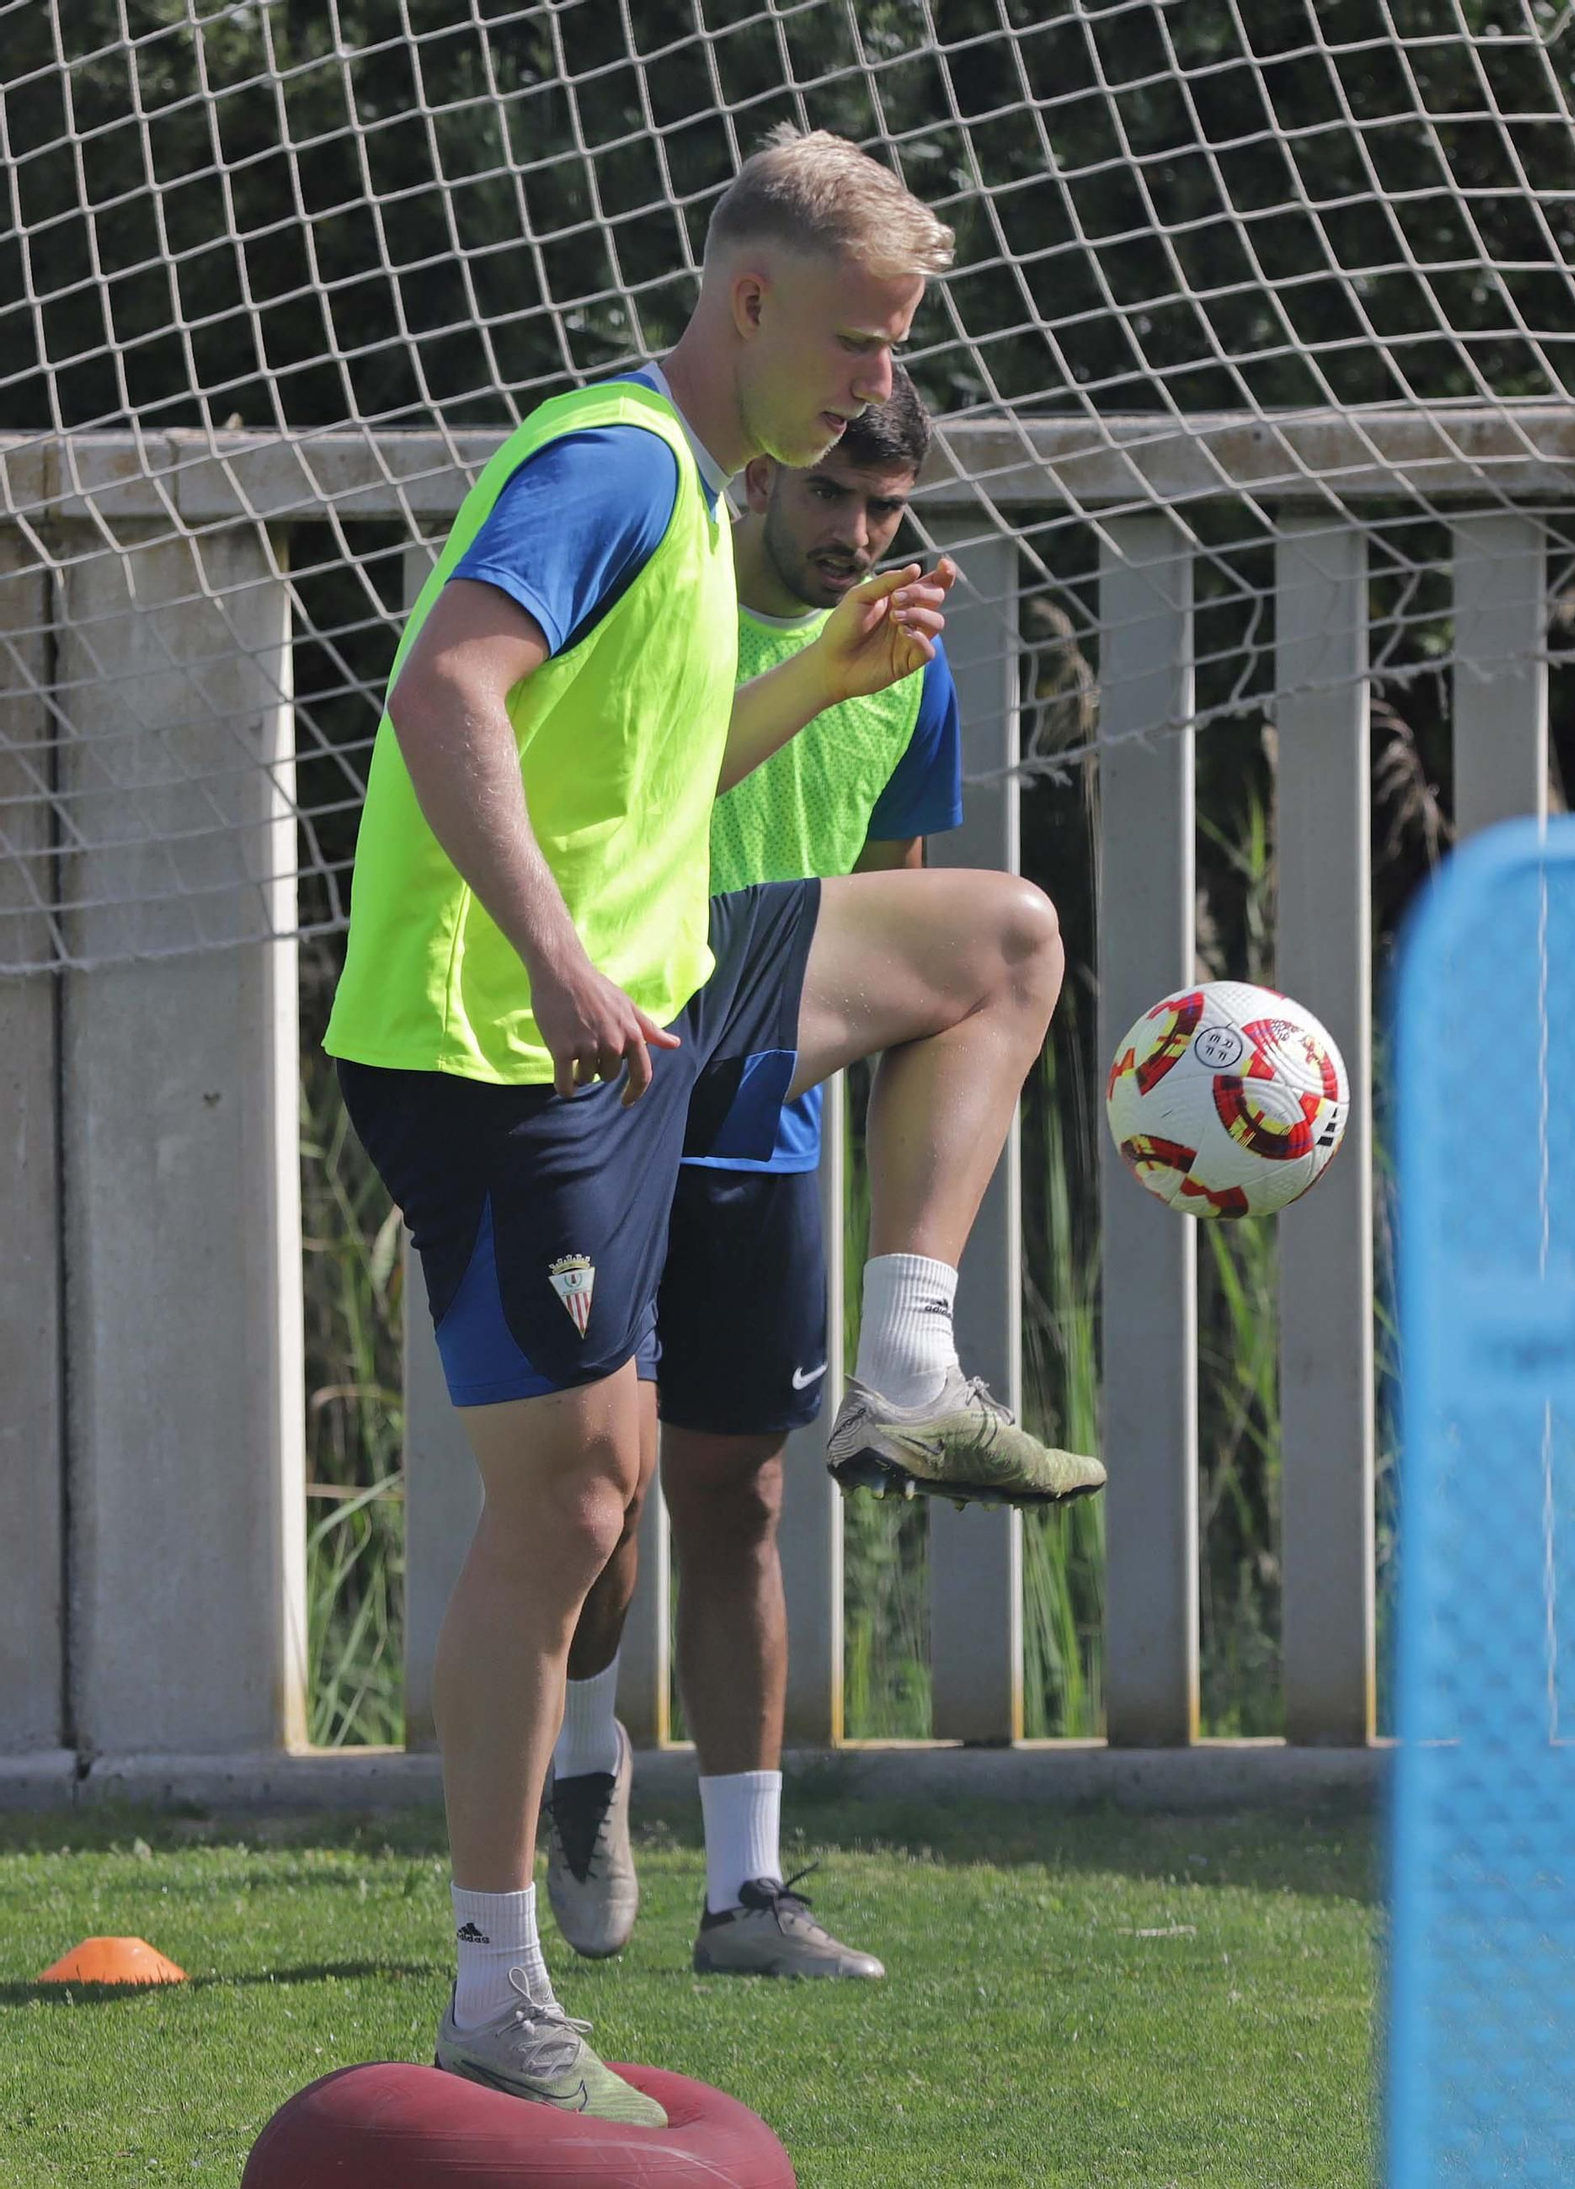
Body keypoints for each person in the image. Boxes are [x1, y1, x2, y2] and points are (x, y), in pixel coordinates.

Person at [324, 126, 1103, 2124]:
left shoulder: (695, 486)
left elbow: (653, 782)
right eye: (856, 342)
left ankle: (905, 1361)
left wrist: (819, 681)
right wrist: (557, 961)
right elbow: (446, 696)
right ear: (750, 303)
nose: (877, 384)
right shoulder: (611, 465)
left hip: (660, 982)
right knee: (579, 1505)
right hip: (503, 1044)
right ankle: (496, 1983)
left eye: (896, 346)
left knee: (999, 940)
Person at [544, 366, 962, 1981]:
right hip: (609, 1098)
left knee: (744, 1495)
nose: (858, 534)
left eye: (886, 510)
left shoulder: (911, 668)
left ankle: (746, 1893)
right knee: (600, 1495)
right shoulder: (674, 611)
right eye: (833, 495)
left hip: (763, 1131)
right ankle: (589, 1750)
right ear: (766, 478)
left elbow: (892, 920)